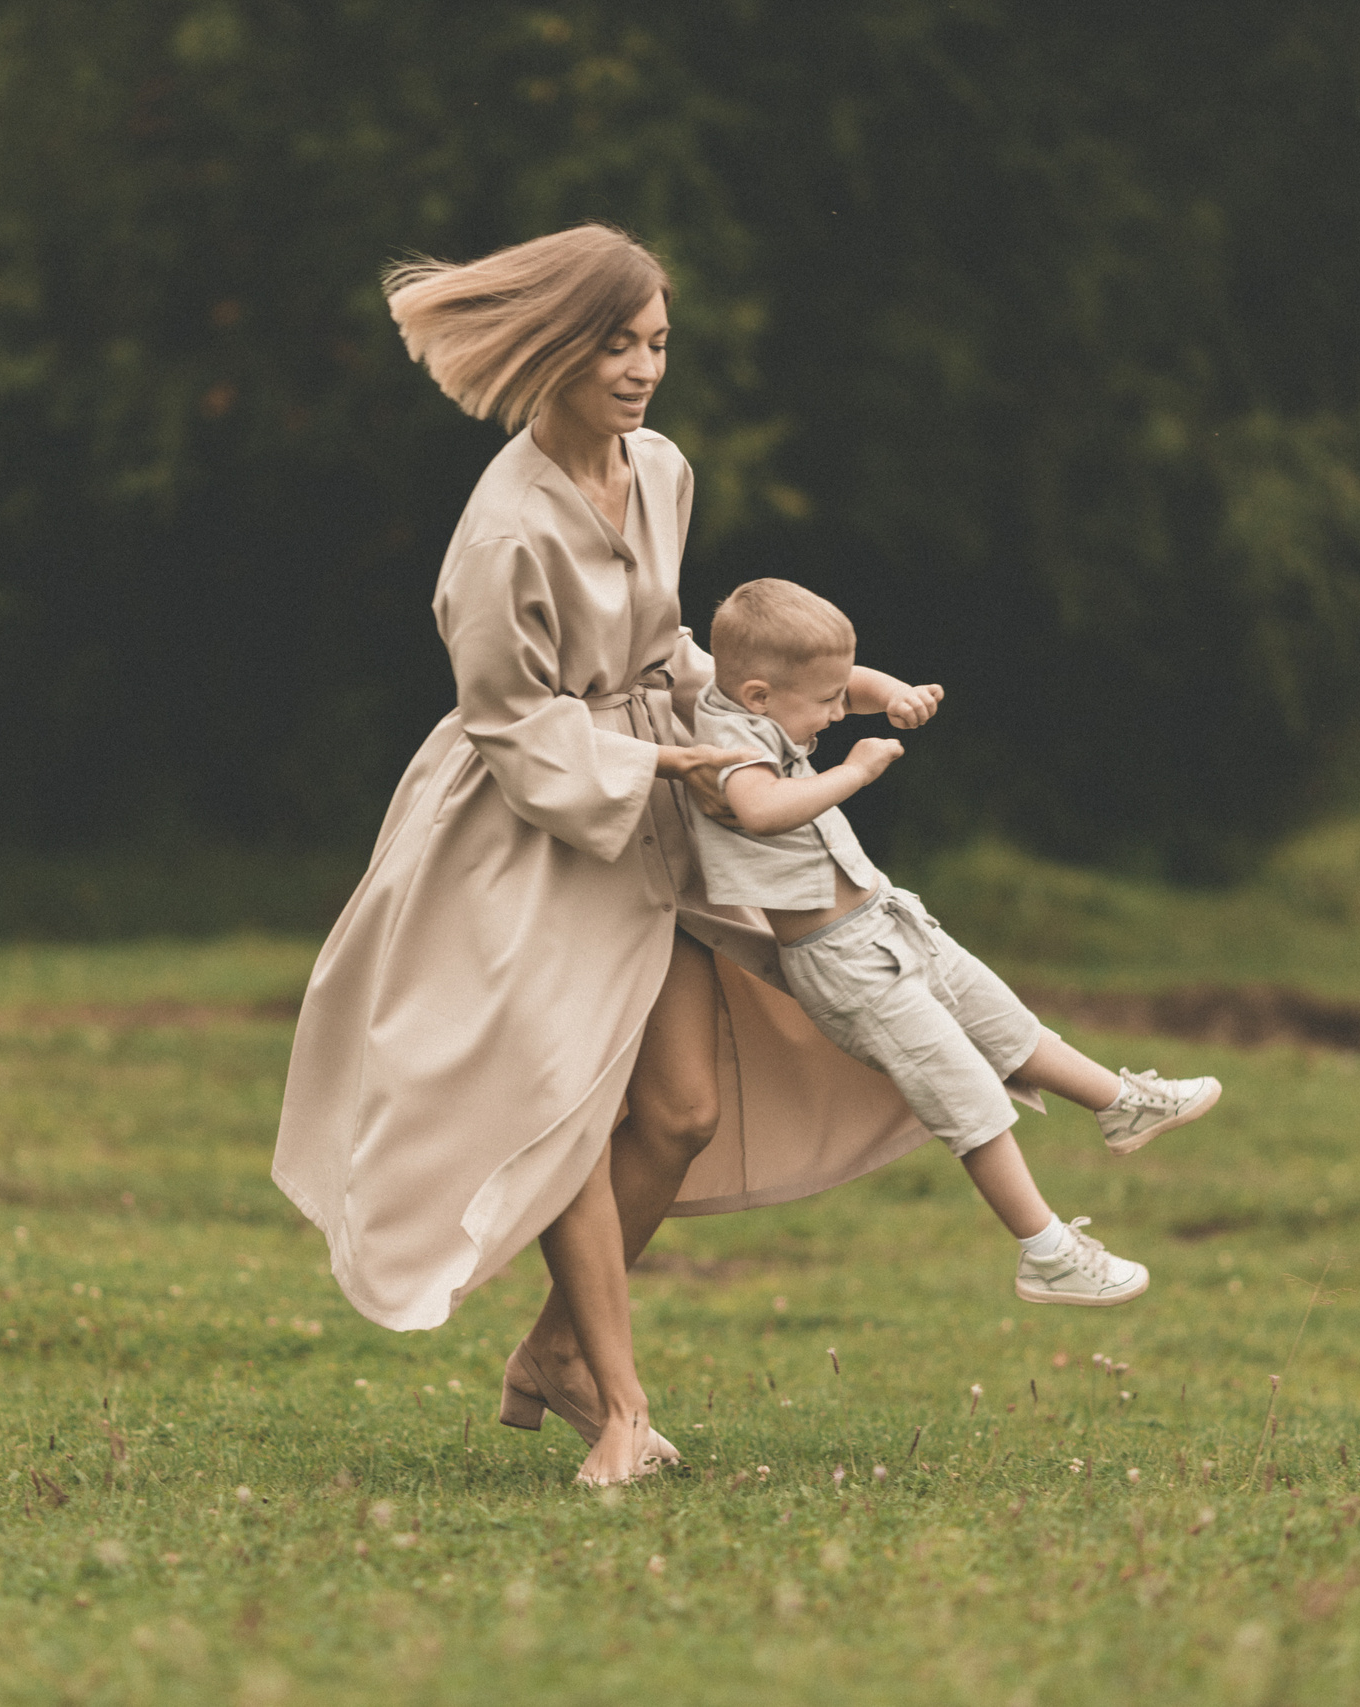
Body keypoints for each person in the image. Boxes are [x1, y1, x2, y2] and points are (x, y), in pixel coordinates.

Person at [274, 224, 1171, 1489]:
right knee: (572, 1106)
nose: (642, 370)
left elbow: (674, 651)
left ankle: (553, 1359)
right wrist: (655, 763)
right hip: (539, 833)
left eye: (655, 343)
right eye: (615, 345)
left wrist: (793, 701)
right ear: (553, 348)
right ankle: (621, 1407)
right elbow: (510, 719)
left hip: (672, 800)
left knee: (684, 1107)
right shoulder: (499, 535)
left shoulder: (660, 470)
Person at [688, 577, 1223, 1306]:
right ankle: (1047, 1251)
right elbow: (762, 810)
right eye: (828, 703)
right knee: (965, 1092)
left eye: (843, 693)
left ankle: (1121, 1103)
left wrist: (896, 692)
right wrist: (850, 772)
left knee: (1003, 1021)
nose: (842, 710)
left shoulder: (768, 698)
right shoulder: (725, 745)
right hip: (844, 963)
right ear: (757, 695)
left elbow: (844, 680)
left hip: (887, 919)